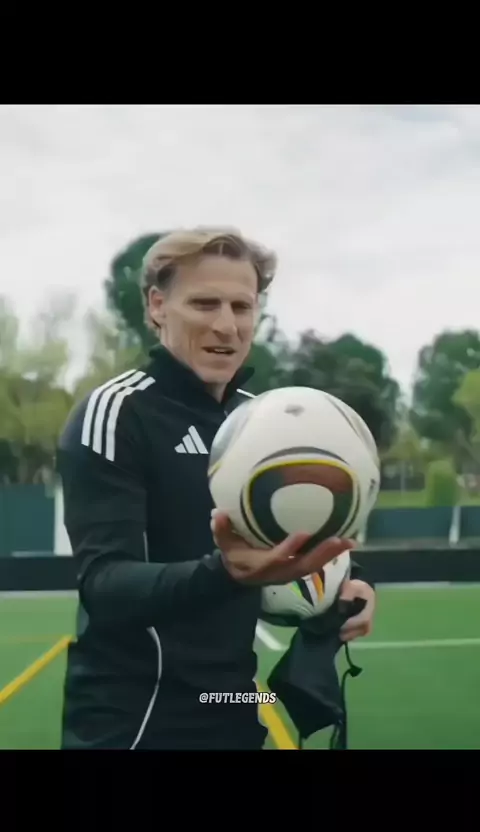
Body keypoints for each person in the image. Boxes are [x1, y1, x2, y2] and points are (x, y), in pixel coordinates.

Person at [57, 227, 376, 750]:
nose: (226, 325)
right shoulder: (116, 412)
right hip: (135, 719)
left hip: (232, 703)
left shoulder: (262, 420)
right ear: (157, 306)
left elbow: (297, 530)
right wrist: (225, 573)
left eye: (241, 306)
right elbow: (105, 584)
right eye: (204, 304)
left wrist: (350, 582)